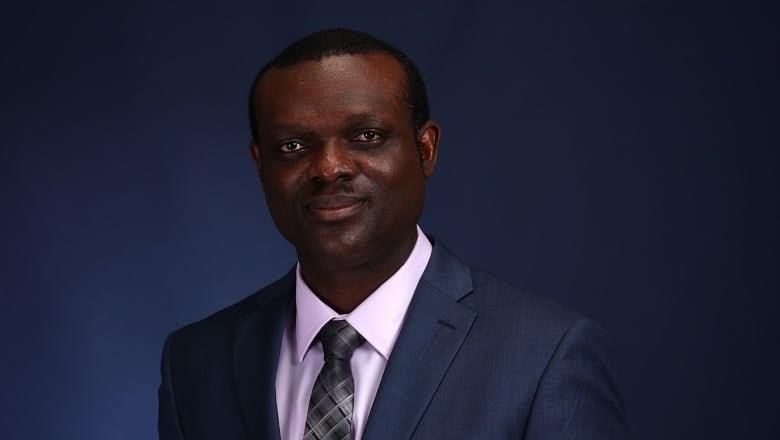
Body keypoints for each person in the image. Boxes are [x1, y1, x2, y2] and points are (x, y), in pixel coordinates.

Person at [158, 28, 628, 440]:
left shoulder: (545, 354)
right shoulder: (197, 362)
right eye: (293, 146)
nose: (328, 168)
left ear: (426, 149)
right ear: (261, 165)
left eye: (366, 137)